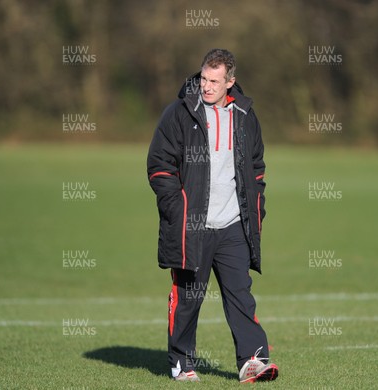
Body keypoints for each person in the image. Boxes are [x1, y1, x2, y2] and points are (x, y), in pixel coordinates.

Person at [147, 48, 278, 383]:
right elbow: (159, 166)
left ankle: (253, 361)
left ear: (230, 82)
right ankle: (182, 362)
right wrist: (178, 207)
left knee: (240, 296)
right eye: (204, 78)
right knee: (188, 298)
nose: (206, 86)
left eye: (215, 81)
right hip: (193, 225)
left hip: (233, 225)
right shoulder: (179, 113)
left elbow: (257, 168)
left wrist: (255, 206)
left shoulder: (245, 116)